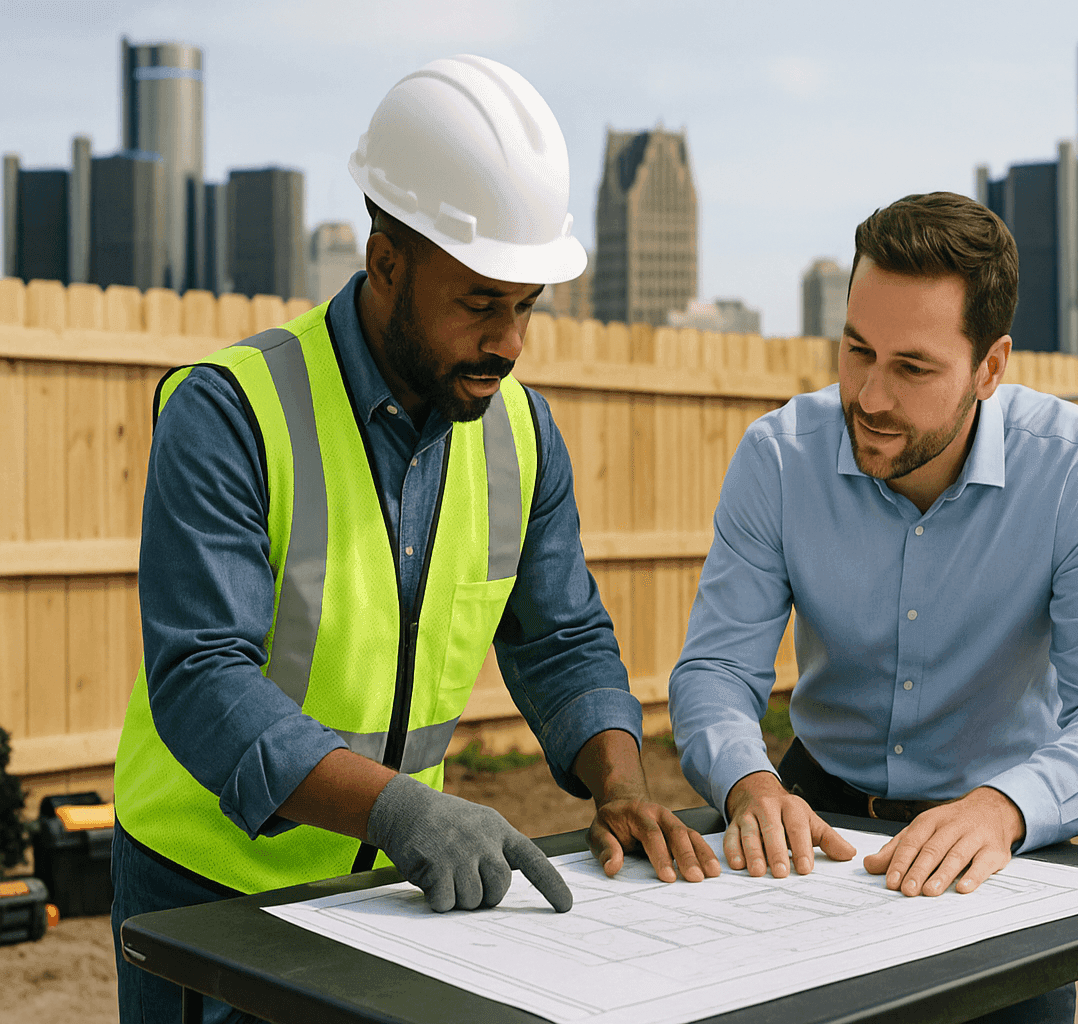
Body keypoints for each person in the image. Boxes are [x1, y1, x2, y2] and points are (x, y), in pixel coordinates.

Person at [112, 56, 718, 1024]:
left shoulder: (521, 431)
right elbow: (202, 675)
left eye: (526, 305)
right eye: (481, 301)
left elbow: (561, 637)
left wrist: (619, 784)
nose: (510, 341)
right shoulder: (230, 409)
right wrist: (402, 808)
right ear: (386, 258)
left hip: (399, 894)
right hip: (212, 893)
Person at [668, 191, 1078, 1023]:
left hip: (995, 839)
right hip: (810, 827)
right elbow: (716, 670)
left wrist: (1004, 810)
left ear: (990, 367)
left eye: (912, 366)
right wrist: (748, 785)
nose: (868, 396)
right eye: (857, 351)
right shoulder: (778, 460)